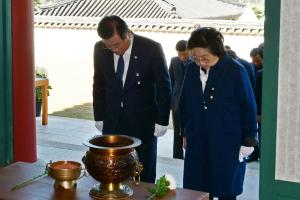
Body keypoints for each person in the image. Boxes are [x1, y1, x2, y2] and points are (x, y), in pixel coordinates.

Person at [180, 27, 258, 200]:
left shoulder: (236, 70)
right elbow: (184, 102)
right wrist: (184, 132)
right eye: (196, 58)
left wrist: (248, 140)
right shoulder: (192, 69)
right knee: (197, 189)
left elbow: (249, 106)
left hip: (227, 141)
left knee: (225, 187)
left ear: (218, 52)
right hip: (198, 137)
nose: (201, 62)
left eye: (205, 58)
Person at [93, 15, 171, 183]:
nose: (114, 50)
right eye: (109, 46)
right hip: (112, 120)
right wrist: (99, 116)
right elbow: (98, 83)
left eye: (116, 45)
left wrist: (162, 120)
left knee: (142, 170)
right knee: (112, 168)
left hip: (142, 120)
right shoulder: (99, 49)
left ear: (127, 33)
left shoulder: (151, 48)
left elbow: (164, 85)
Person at [169, 40, 191, 159]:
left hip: (191, 103)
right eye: (179, 54)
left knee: (190, 131)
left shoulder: (196, 61)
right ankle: (177, 156)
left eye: (185, 54)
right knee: (177, 131)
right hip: (177, 102)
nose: (182, 57)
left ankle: (191, 155)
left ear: (190, 51)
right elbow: (170, 81)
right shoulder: (174, 61)